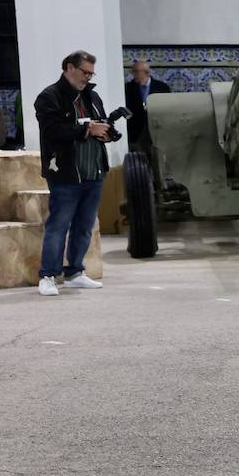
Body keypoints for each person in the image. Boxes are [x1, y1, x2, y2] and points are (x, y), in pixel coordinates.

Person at [34, 50, 113, 297]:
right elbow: (53, 131)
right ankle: (48, 275)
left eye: (91, 73)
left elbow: (101, 123)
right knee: (58, 225)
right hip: (66, 174)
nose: (88, 77)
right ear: (69, 68)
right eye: (84, 72)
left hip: (93, 172)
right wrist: (87, 129)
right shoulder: (49, 97)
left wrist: (107, 132)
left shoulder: (92, 96)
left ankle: (75, 273)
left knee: (84, 226)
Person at [122, 60, 170, 146]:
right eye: (132, 71)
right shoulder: (128, 88)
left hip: (157, 129)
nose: (133, 74)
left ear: (146, 72)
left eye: (136, 72)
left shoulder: (162, 87)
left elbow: (167, 108)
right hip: (136, 132)